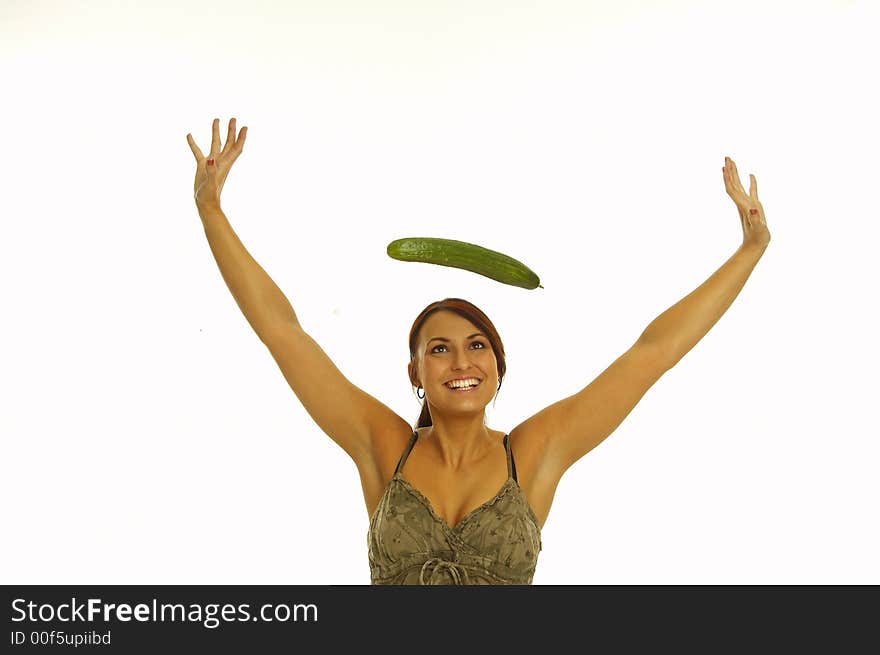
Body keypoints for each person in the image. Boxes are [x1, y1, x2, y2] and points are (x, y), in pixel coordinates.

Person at [186, 117, 771, 585]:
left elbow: (654, 352)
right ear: (415, 372)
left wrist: (748, 251)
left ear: (497, 367)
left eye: (477, 346)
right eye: (439, 349)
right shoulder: (383, 446)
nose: (461, 362)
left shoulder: (536, 453)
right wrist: (212, 213)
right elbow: (284, 334)